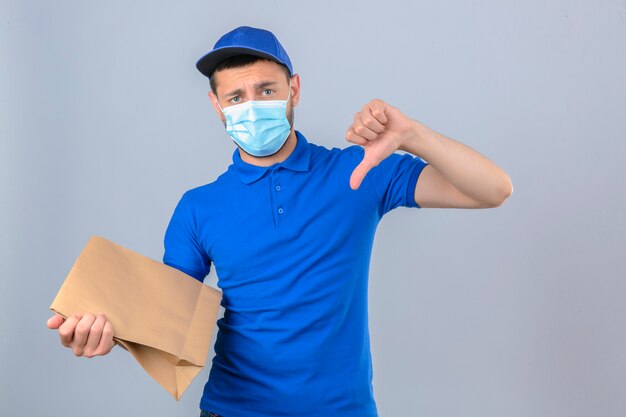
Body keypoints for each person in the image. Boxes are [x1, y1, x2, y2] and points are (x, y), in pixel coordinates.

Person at [47, 25, 513, 417]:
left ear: (294, 89)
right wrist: (108, 333)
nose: (251, 105)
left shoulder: (360, 170)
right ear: (217, 107)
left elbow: (493, 189)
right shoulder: (198, 206)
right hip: (233, 408)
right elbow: (171, 320)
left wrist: (412, 135)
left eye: (266, 90)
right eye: (236, 96)